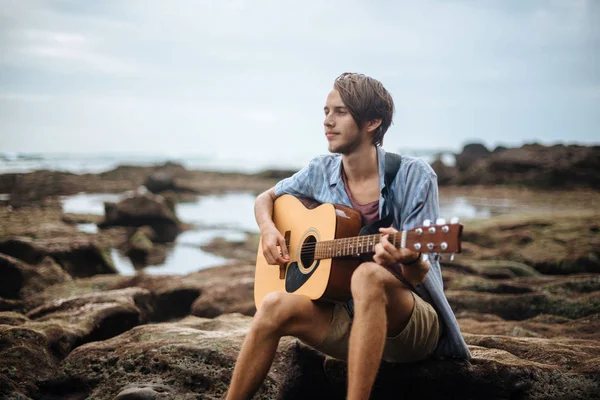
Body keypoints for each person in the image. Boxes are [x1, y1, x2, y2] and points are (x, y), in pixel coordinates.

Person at [226, 72, 471, 400]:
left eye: (340, 112)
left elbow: (420, 273)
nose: (328, 121)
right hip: (348, 321)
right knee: (272, 305)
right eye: (326, 112)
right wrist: (269, 230)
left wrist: (409, 257)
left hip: (410, 325)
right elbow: (265, 199)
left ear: (372, 122)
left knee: (370, 275)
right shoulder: (320, 171)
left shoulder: (414, 176)